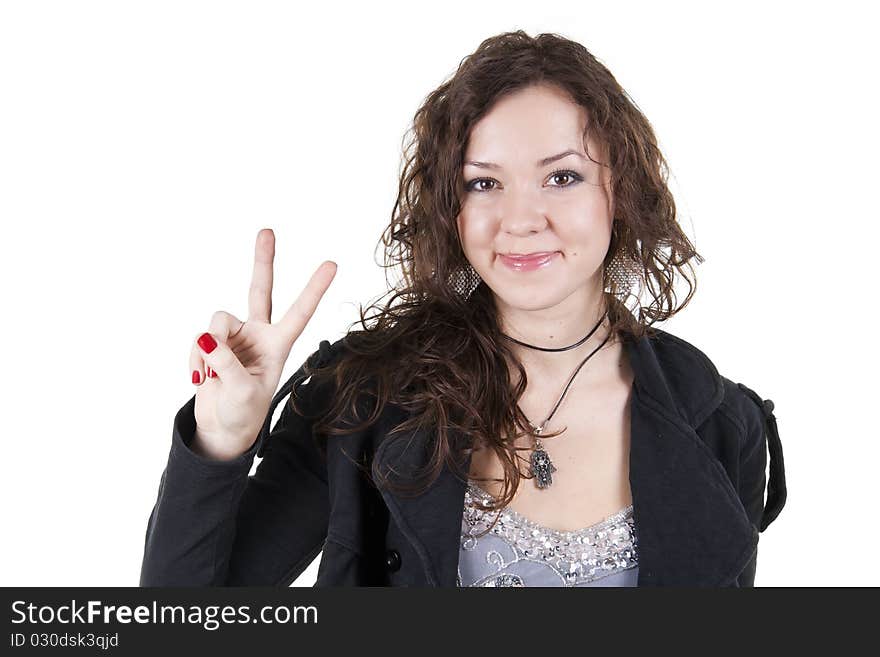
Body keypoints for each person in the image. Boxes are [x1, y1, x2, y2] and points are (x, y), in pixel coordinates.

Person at [139, 30, 786, 588]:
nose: (522, 218)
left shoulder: (720, 422)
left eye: (562, 176)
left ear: (619, 190)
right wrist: (221, 440)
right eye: (484, 183)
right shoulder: (363, 398)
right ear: (451, 207)